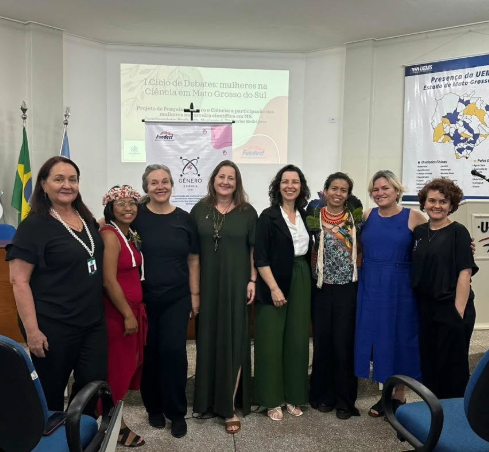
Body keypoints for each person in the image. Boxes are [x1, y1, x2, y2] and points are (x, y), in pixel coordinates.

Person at [6, 156, 107, 415]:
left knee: (92, 383)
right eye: (59, 179)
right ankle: (51, 436)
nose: (67, 185)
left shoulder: (84, 216)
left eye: (72, 179)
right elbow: (19, 280)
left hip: (92, 321)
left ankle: (79, 431)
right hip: (53, 325)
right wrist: (32, 332)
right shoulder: (34, 225)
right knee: (51, 391)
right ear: (43, 184)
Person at [192, 160, 257, 434]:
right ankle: (206, 402)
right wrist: (194, 294)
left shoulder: (247, 212)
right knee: (207, 342)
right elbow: (192, 256)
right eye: (222, 176)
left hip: (235, 285)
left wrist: (252, 280)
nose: (226, 181)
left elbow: (254, 250)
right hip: (207, 286)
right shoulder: (199, 210)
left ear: (237, 182)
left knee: (234, 340)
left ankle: (228, 406)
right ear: (214, 179)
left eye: (231, 178)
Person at [135, 164, 200, 439]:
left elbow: (193, 259)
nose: (160, 186)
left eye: (165, 181)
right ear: (146, 188)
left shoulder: (185, 219)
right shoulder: (135, 217)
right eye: (154, 183)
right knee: (150, 353)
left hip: (177, 297)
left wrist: (195, 296)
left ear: (172, 185)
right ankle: (154, 407)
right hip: (145, 298)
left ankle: (176, 412)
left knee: (174, 352)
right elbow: (105, 229)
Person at [354, 170, 425, 417]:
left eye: (385, 188)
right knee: (376, 339)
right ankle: (385, 393)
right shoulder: (367, 215)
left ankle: (399, 396)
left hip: (400, 287)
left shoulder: (414, 216)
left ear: (397, 190)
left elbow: (438, 237)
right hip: (371, 283)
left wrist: (463, 242)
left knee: (399, 337)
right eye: (375, 189)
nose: (380, 193)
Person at [254, 165, 312, 421]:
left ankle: (293, 396)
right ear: (278, 186)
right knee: (270, 342)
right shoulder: (268, 216)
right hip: (273, 281)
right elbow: (260, 256)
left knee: (298, 341)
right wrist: (274, 288)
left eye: (295, 181)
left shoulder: (306, 215)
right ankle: (271, 399)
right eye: (285, 181)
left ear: (301, 186)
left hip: (301, 277)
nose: (290, 185)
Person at [412, 178, 478, 399]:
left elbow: (465, 273)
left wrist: (458, 312)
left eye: (443, 201)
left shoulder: (459, 232)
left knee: (453, 369)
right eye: (432, 200)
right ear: (424, 203)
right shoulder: (419, 232)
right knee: (430, 365)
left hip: (452, 308)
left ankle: (456, 421)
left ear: (452, 205)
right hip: (426, 309)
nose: (437, 205)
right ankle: (433, 414)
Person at [307, 172, 362, 420]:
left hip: (347, 290)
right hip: (320, 289)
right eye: (334, 188)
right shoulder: (312, 218)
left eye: (343, 190)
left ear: (348, 195)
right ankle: (324, 395)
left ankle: (344, 399)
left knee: (343, 345)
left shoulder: (357, 220)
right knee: (323, 345)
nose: (338, 193)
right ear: (325, 191)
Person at [100, 185, 146, 447]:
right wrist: (128, 314)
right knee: (118, 369)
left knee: (127, 366)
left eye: (132, 203)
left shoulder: (128, 234)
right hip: (119, 314)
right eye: (121, 203)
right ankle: (114, 425)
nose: (128, 207)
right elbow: (108, 279)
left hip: (131, 311)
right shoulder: (109, 235)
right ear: (110, 208)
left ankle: (107, 415)